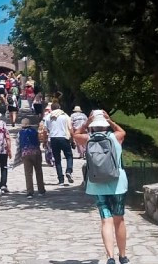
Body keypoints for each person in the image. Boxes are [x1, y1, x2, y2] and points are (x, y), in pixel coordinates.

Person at [74, 110, 129, 264]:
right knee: (119, 219)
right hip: (117, 183)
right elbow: (122, 131)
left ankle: (110, 256)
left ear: (92, 126)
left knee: (106, 220)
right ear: (106, 125)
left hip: (97, 183)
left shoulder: (87, 139)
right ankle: (123, 256)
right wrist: (110, 120)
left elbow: (75, 135)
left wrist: (86, 123)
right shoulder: (116, 137)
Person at [46, 103, 74, 186]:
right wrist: (72, 139)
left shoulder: (48, 117)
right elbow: (70, 128)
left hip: (54, 138)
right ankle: (68, 171)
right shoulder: (65, 116)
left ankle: (61, 179)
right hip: (64, 138)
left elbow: (46, 129)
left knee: (57, 159)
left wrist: (45, 141)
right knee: (69, 156)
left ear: (52, 108)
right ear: (59, 108)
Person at [18, 118, 45, 198]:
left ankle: (30, 192)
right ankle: (41, 190)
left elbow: (18, 143)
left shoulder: (20, 133)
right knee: (39, 171)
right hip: (36, 152)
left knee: (28, 173)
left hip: (26, 153)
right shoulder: (34, 131)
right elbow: (38, 141)